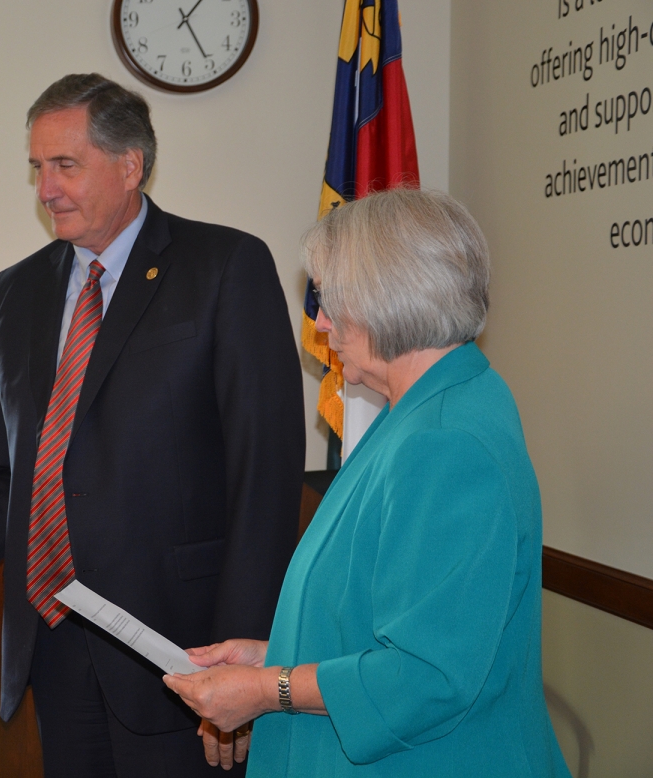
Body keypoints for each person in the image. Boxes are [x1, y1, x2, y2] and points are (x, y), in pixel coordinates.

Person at [0, 73, 305, 777]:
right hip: (54, 650)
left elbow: (263, 477)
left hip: (186, 655)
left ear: (130, 165)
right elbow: (10, 481)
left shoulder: (224, 268)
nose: (45, 189)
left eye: (65, 166)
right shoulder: (16, 291)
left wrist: (246, 658)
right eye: (37, 168)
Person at [164, 189, 572, 777]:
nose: (322, 322)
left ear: (388, 298)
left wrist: (268, 689)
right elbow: (378, 612)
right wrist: (271, 657)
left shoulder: (444, 440)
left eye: (331, 299)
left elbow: (426, 675)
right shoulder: (426, 406)